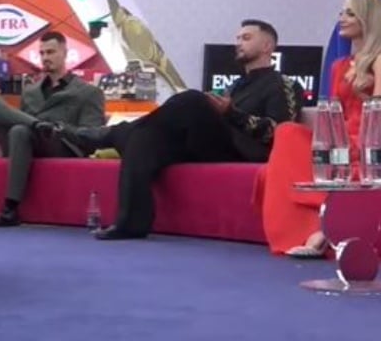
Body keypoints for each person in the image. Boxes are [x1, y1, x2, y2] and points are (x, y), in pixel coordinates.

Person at [66, 19, 304, 240]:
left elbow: (281, 132)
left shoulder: (283, 84)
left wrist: (231, 113)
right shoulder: (235, 86)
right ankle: (130, 223)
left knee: (192, 99)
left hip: (245, 151)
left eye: (246, 38)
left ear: (267, 46)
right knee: (144, 138)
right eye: (238, 38)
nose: (238, 43)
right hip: (214, 145)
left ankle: (112, 133)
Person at [258, 0, 381, 257]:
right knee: (287, 132)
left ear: (368, 18)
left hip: (369, 140)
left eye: (350, 13)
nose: (342, 19)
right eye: (342, 13)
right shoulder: (339, 65)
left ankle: (324, 230)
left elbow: (378, 113)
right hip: (339, 140)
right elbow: (331, 114)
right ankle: (311, 227)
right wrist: (330, 142)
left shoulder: (379, 59)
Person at [0, 32, 107, 227]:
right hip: (25, 142)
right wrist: (35, 124)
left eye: (50, 52)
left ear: (65, 53)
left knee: (20, 131)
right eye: (42, 53)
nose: (45, 57)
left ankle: (10, 208)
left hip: (61, 145)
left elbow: (92, 138)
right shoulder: (30, 91)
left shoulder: (89, 92)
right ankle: (36, 124)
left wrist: (60, 128)